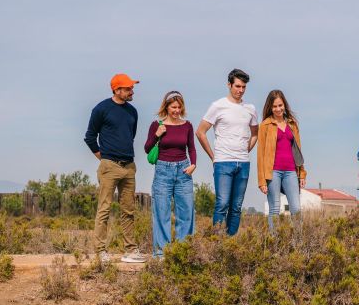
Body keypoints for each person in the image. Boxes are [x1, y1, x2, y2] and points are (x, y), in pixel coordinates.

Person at [84, 73, 147, 264]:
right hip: (109, 166)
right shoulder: (101, 109)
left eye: (132, 88)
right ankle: (100, 251)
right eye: (128, 88)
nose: (131, 91)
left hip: (129, 167)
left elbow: (131, 136)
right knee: (104, 208)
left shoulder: (133, 112)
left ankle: (130, 250)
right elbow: (89, 137)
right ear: (116, 90)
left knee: (128, 210)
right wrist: (104, 159)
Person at [196, 69, 259, 236]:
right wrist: (213, 156)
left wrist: (246, 150)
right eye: (237, 86)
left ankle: (230, 243)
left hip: (243, 163)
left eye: (243, 87)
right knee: (222, 203)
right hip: (223, 162)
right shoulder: (218, 106)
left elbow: (255, 133)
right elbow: (200, 132)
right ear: (229, 84)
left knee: (237, 206)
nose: (240, 90)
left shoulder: (250, 108)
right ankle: (216, 244)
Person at [144, 90, 196, 257]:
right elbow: (147, 148)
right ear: (166, 107)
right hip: (163, 171)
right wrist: (157, 134)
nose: (176, 110)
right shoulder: (156, 125)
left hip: (183, 171)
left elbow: (191, 148)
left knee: (186, 212)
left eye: (179, 107)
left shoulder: (187, 125)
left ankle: (183, 252)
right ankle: (161, 254)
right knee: (161, 213)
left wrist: (193, 164)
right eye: (173, 107)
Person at [257, 89, 307, 232]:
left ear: (284, 105)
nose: (278, 109)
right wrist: (261, 181)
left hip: (291, 171)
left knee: (296, 209)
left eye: (280, 105)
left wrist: (302, 173)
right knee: (274, 208)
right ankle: (274, 243)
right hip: (273, 172)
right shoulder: (265, 125)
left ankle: (299, 243)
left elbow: (298, 150)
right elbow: (260, 154)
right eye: (274, 106)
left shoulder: (292, 124)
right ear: (270, 108)